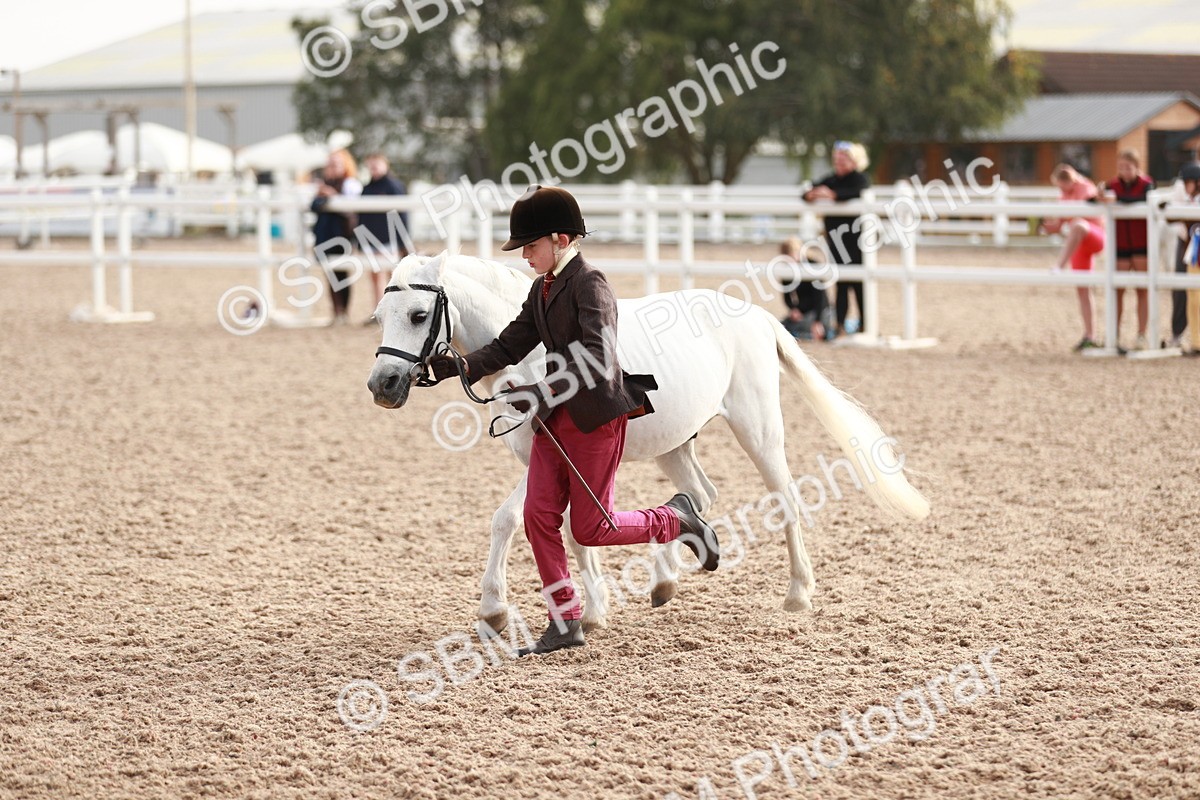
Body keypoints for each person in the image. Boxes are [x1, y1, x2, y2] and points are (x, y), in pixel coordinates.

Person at [426, 185, 720, 656]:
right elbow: (508, 346)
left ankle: (676, 518)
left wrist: (539, 391)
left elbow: (599, 358)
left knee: (591, 529)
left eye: (531, 245)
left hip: (595, 419)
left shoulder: (591, 284)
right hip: (553, 419)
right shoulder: (540, 288)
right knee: (538, 517)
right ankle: (563, 619)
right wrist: (454, 367)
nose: (524, 254)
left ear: (561, 240)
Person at [804, 141, 870, 336]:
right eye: (837, 159)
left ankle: (864, 324)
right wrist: (814, 193)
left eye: (843, 159)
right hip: (837, 240)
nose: (839, 163)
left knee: (859, 284)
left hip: (857, 240)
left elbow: (855, 192)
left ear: (854, 161)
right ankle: (840, 324)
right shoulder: (832, 179)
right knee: (840, 282)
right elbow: (807, 191)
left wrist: (831, 195)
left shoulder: (859, 179)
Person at [1040, 163, 1105, 351]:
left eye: (1061, 185)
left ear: (1069, 180)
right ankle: (1089, 335)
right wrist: (1045, 226)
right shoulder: (1064, 195)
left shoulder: (1086, 187)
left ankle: (1059, 265)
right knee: (1082, 289)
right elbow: (1059, 225)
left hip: (1094, 235)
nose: (1060, 189)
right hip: (1078, 244)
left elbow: (1092, 202)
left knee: (1077, 224)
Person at [1101, 150, 1155, 351]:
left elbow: (1143, 199)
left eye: (1128, 167)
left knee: (1143, 289)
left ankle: (1142, 334)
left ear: (1137, 167)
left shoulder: (1147, 185)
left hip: (1142, 244)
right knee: (1118, 290)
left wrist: (1116, 200)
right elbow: (1093, 198)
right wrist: (1102, 195)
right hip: (1121, 245)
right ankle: (1114, 333)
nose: (1124, 171)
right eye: (1121, 167)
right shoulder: (1111, 185)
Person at [311, 149, 362, 325]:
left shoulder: (350, 184)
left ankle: (344, 312)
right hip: (325, 234)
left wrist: (331, 195)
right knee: (330, 273)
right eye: (330, 164)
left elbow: (353, 210)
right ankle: (336, 312)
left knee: (341, 273)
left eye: (336, 164)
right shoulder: (324, 184)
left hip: (342, 234)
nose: (332, 167)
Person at [360, 153, 409, 324]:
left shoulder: (393, 186)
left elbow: (402, 214)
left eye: (377, 164)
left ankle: (394, 312)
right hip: (371, 239)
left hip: (389, 239)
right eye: (370, 164)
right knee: (375, 276)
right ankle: (379, 311)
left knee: (392, 277)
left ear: (385, 165)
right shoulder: (367, 187)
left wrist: (402, 240)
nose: (373, 167)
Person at [1163, 162, 1200, 352]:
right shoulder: (1186, 198)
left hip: (1194, 249)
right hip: (1188, 248)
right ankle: (1180, 334)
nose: (1185, 186)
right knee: (1182, 292)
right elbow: (1172, 216)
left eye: (1188, 182)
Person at [778, 237, 832, 341]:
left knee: (798, 328)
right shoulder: (787, 269)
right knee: (781, 326)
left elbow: (820, 297)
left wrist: (818, 321)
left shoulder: (813, 265)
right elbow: (787, 296)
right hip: (802, 311)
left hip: (819, 311)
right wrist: (793, 309)